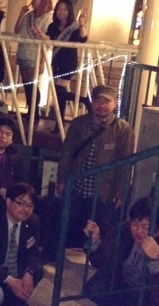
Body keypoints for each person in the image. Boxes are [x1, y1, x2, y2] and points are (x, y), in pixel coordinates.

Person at [57, 84, 135, 247]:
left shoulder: (123, 129)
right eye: (98, 100)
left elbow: (125, 163)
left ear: (115, 103)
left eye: (107, 101)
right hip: (77, 186)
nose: (101, 105)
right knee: (72, 228)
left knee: (100, 231)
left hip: (103, 191)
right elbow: (67, 153)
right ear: (92, 102)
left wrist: (120, 192)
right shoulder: (79, 124)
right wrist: (62, 179)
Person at [85, 197, 159, 306]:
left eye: (145, 227)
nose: (138, 231)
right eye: (135, 224)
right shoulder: (123, 231)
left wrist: (156, 258)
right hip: (124, 285)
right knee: (95, 288)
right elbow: (100, 262)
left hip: (148, 294)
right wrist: (95, 240)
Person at [0, 183, 44, 306]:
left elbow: (33, 251)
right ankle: (1, 297)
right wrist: (9, 280)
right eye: (21, 203)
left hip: (15, 266)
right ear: (8, 201)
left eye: (30, 205)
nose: (26, 210)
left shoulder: (33, 221)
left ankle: (15, 296)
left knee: (37, 270)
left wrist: (29, 273)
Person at [45, 0, 90, 132]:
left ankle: (83, 100)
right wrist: (42, 36)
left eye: (64, 10)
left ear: (69, 11)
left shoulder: (73, 26)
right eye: (59, 9)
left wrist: (82, 25)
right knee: (59, 93)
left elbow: (83, 39)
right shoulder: (53, 26)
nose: (61, 12)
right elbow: (48, 38)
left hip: (68, 61)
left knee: (59, 92)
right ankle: (59, 124)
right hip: (56, 61)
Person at [13, 0, 53, 123]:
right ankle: (31, 111)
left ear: (43, 0)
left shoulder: (48, 17)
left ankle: (34, 113)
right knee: (26, 84)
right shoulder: (29, 15)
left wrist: (42, 61)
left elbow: (47, 40)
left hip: (35, 54)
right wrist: (21, 14)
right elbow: (16, 30)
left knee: (32, 84)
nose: (33, 1)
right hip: (23, 51)